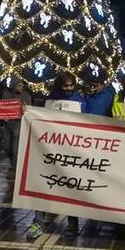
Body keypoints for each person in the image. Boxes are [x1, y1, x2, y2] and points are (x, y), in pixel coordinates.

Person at [34, 71, 87, 239]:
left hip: (71, 151)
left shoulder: (80, 101)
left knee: (71, 187)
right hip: (51, 150)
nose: (69, 89)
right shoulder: (50, 100)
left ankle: (73, 223)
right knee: (44, 184)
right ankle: (38, 222)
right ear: (59, 85)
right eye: (66, 86)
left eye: (71, 85)